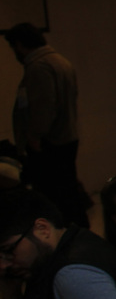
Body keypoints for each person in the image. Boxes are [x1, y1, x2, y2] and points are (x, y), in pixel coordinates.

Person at [4, 24, 89, 228]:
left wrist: (34, 136)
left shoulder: (39, 67)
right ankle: (77, 227)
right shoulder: (61, 61)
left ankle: (63, 230)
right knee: (67, 188)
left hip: (49, 142)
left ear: (19, 45)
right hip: (66, 136)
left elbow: (44, 106)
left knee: (54, 194)